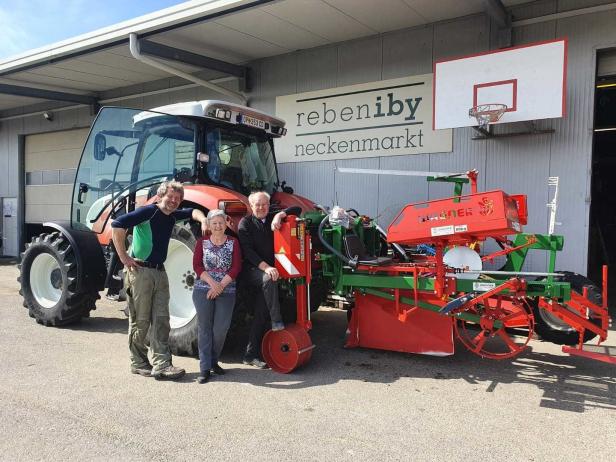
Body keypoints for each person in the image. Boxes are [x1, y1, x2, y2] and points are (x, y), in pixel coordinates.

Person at [111, 180, 207, 380]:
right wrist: (124, 257)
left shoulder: (172, 216)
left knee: (162, 319)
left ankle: (162, 364)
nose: (173, 201)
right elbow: (117, 225)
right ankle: (138, 362)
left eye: (178, 199)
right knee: (141, 319)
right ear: (161, 195)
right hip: (140, 271)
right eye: (170, 197)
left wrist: (203, 219)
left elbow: (191, 212)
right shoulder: (148, 212)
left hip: (160, 272)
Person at [238, 191, 300, 369]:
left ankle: (250, 355)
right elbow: (248, 252)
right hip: (252, 270)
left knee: (260, 312)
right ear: (251, 206)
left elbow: (297, 210)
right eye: (257, 204)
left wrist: (281, 215)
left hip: (270, 274)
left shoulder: (272, 216)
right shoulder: (245, 223)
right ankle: (277, 321)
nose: (261, 207)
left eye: (264, 204)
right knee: (268, 280)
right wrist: (267, 267)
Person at [192, 209, 242, 384]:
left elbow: (236, 267)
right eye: (214, 223)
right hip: (203, 288)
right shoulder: (202, 242)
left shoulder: (233, 243)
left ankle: (214, 360)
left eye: (221, 223)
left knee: (220, 329)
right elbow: (197, 266)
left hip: (226, 289)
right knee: (204, 328)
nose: (218, 226)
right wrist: (213, 283)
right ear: (210, 225)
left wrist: (221, 286)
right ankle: (205, 368)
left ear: (226, 224)